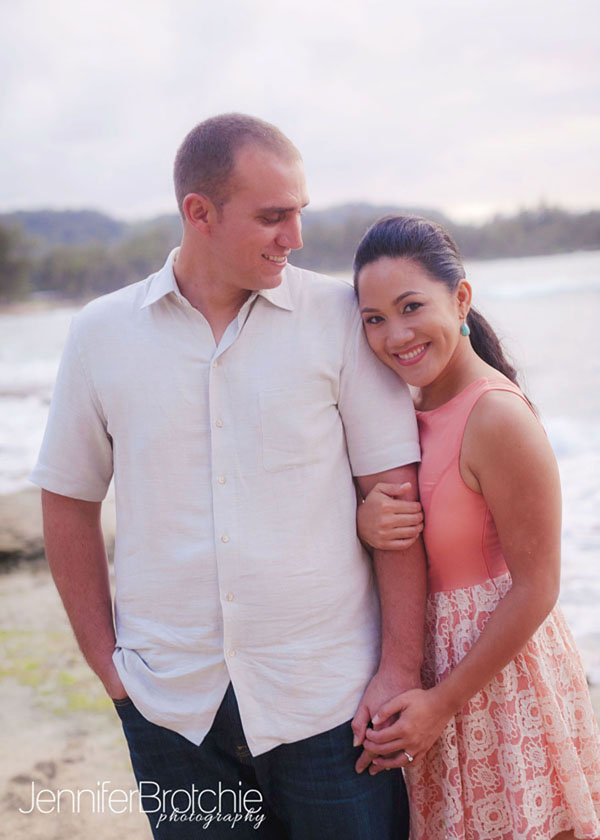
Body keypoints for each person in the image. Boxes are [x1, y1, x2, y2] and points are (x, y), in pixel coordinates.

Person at [30, 115, 426, 839]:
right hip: (172, 715)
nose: (295, 236)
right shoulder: (101, 334)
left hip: (332, 704)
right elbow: (67, 499)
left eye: (300, 211)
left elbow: (393, 497)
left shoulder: (339, 316)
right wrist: (106, 667)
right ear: (199, 213)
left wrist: (399, 669)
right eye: (273, 216)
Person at [353, 215, 600, 840]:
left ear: (461, 298)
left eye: (411, 307)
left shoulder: (496, 416)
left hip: (501, 682)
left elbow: (538, 586)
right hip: (437, 681)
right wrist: (363, 521)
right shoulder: (404, 410)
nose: (395, 335)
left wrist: (443, 701)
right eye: (374, 319)